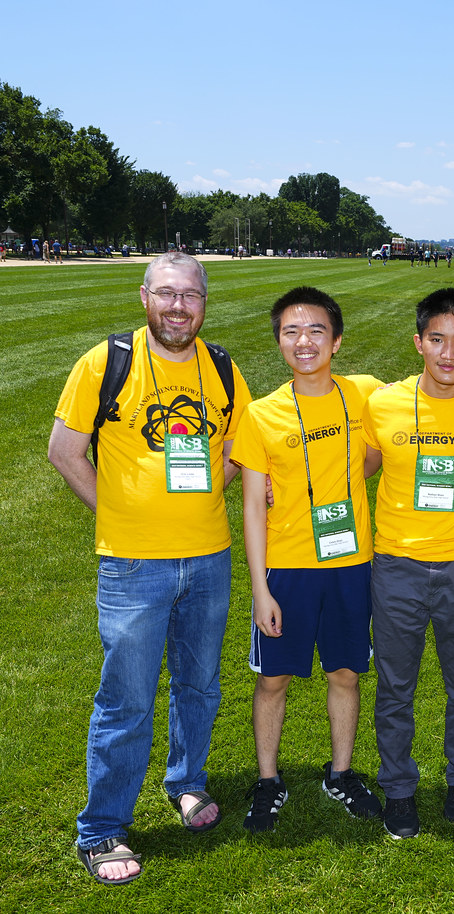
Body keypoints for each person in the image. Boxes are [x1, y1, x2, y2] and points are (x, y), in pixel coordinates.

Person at [48, 252, 252, 885]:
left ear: (204, 302)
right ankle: (101, 828)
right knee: (126, 699)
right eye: (167, 295)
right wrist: (121, 515)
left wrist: (213, 488)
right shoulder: (108, 362)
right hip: (133, 564)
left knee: (200, 685)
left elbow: (241, 447)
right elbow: (64, 450)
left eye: (190, 296)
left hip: (209, 558)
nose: (178, 308)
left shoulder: (220, 367)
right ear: (144, 297)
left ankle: (186, 782)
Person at [361, 288, 454, 839]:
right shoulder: (382, 403)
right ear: (418, 342)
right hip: (396, 568)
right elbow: (354, 468)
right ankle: (399, 789)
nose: (448, 354)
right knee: (395, 688)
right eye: (437, 340)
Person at [230, 287, 383, 833]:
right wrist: (260, 589)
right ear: (278, 342)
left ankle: (340, 773)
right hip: (287, 569)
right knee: (274, 679)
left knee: (345, 671)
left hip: (350, 565)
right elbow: (251, 506)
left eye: (317, 330)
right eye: (292, 331)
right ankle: (267, 780)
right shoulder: (261, 415)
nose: (305, 341)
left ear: (337, 341)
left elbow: (433, 395)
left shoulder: (365, 395)